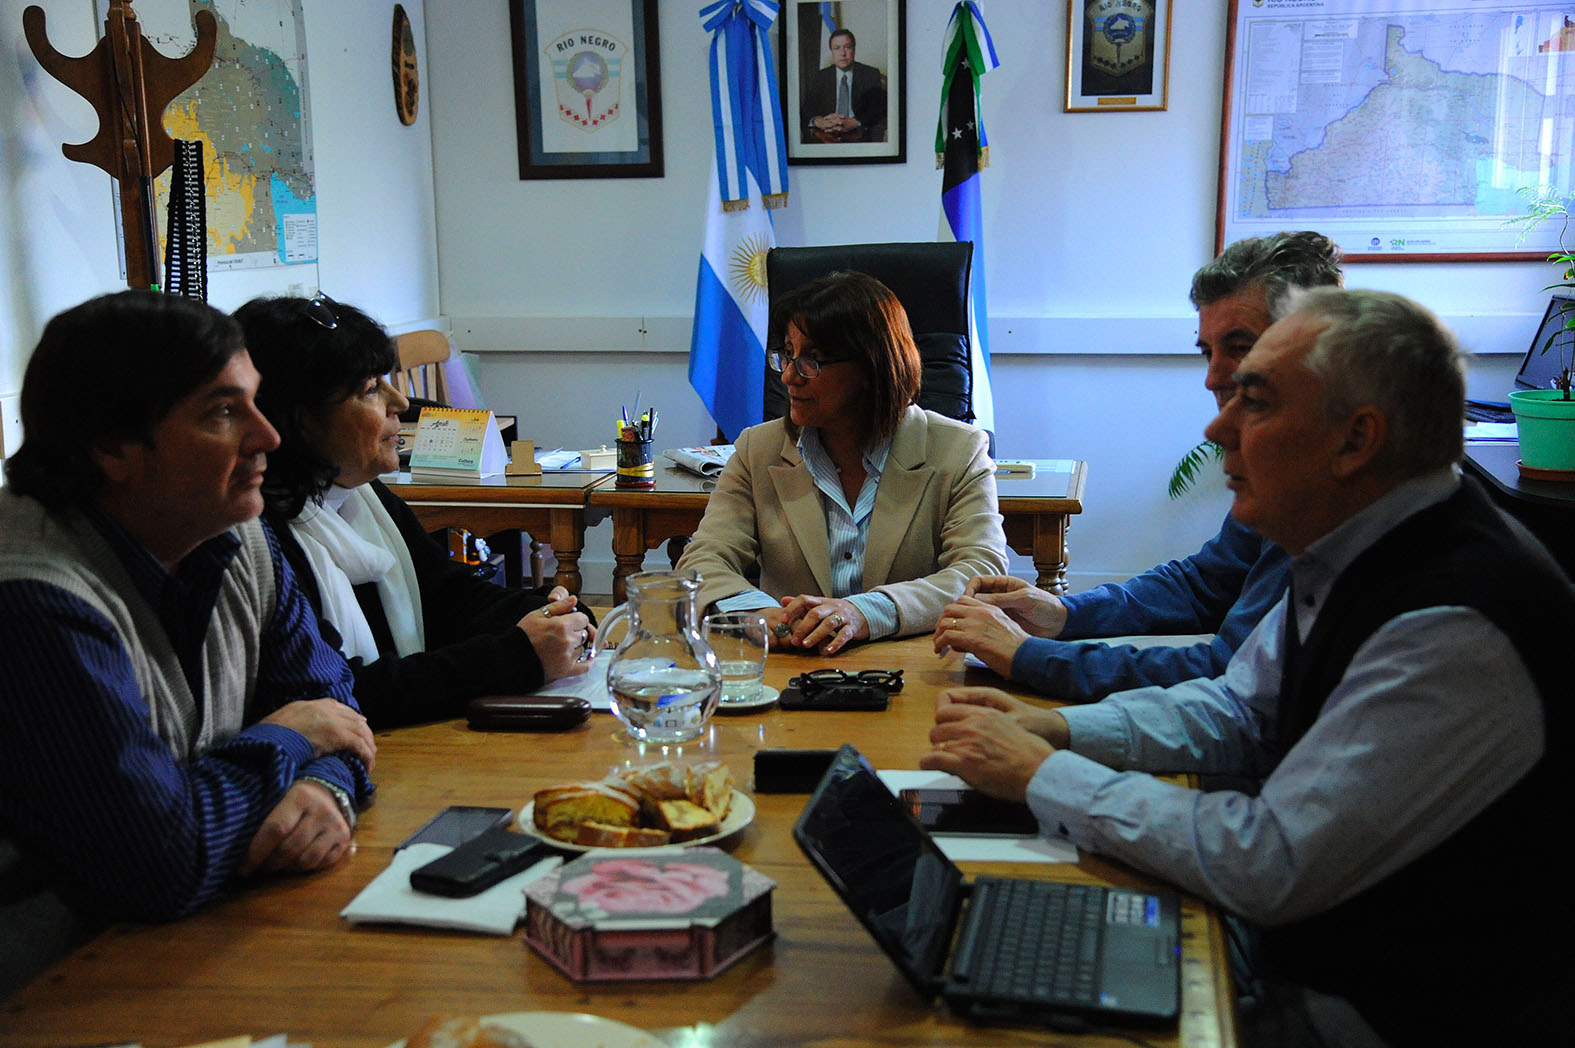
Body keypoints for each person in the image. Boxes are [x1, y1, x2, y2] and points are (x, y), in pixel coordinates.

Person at [923, 288, 1570, 1045]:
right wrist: (1060, 729)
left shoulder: (1451, 621)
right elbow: (1235, 708)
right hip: (1318, 949)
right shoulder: (1348, 545)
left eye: (1254, 404)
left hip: (1397, 1011)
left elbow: (1270, 862)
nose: (1217, 426)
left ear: (1355, 441)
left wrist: (1041, 774)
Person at [0, 291, 375, 996]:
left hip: (195, 948)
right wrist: (289, 741)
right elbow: (158, 866)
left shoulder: (233, 528)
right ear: (110, 445)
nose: (268, 437)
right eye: (223, 412)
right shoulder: (31, 598)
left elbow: (336, 712)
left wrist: (323, 788)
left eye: (256, 403)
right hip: (52, 991)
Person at [934, 232, 1343, 700]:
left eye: (1239, 346)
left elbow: (1232, 674)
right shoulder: (1286, 459)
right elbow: (1206, 583)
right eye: (1209, 352)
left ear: (1313, 343)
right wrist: (1065, 614)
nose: (1213, 377)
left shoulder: (1335, 484)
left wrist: (1028, 656)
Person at [234, 294, 595, 730]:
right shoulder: (260, 539)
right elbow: (343, 697)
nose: (400, 402)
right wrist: (521, 655)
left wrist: (553, 612)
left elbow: (448, 598)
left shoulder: (362, 496)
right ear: (298, 418)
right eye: (370, 389)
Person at [676, 270, 1007, 655]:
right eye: (787, 353)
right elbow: (702, 560)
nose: (788, 376)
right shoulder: (758, 450)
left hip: (911, 664)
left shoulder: (958, 449)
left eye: (811, 360)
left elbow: (979, 571)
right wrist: (759, 615)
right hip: (791, 666)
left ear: (872, 366)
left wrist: (863, 613)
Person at [802, 28, 886, 143]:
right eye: (837, 48)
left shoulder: (870, 74)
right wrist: (818, 121)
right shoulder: (820, 76)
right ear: (831, 52)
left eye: (847, 47)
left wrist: (855, 122)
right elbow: (807, 109)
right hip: (826, 135)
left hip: (860, 134)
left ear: (854, 49)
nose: (842, 53)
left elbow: (877, 109)